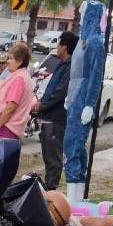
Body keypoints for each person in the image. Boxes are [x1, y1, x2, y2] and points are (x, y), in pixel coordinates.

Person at [37, 31, 79, 189]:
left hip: (57, 119)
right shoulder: (62, 64)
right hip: (49, 117)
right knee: (48, 156)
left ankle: (51, 191)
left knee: (54, 158)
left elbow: (61, 92)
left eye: (59, 44)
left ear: (65, 47)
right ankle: (47, 189)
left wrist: (43, 105)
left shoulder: (70, 66)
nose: (57, 47)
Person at [0, 42, 38, 140]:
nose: (8, 61)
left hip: (5, 130)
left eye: (11, 58)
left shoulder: (19, 78)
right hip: (7, 129)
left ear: (20, 61)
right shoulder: (23, 76)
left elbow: (11, 107)